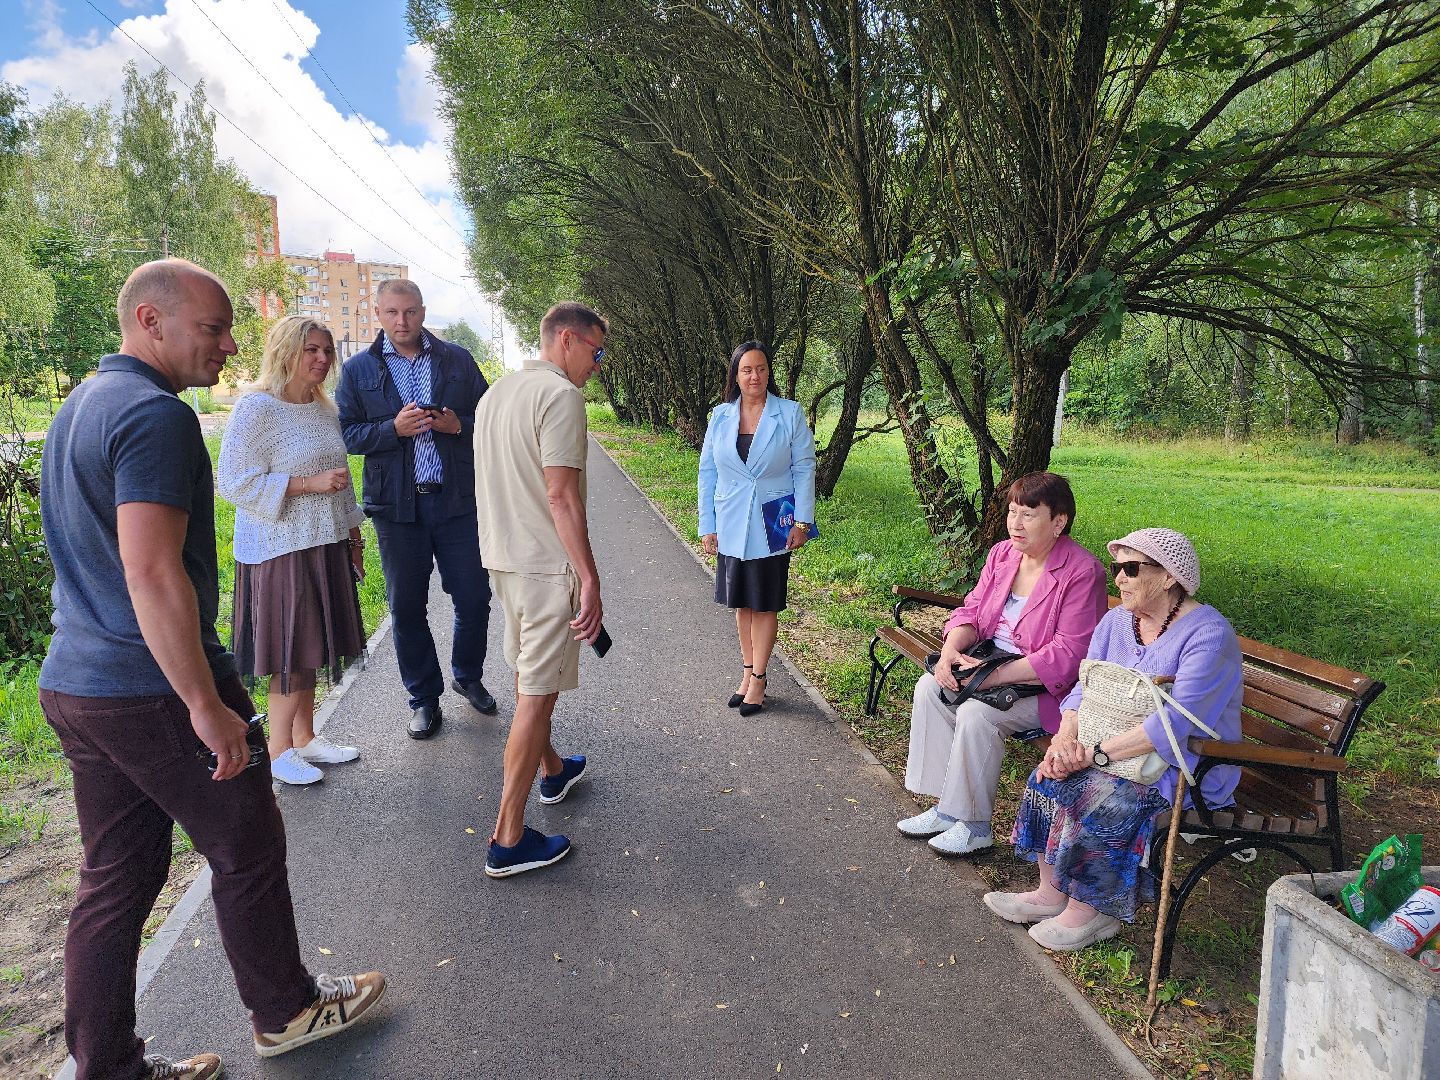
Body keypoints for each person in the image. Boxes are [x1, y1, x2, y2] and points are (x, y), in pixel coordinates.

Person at [36, 259, 385, 1080]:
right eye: (212, 328)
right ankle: (288, 1010)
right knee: (247, 841)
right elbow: (151, 573)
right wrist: (203, 701)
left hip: (75, 681)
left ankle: (107, 1066)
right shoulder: (156, 418)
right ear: (149, 322)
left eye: (230, 329)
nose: (229, 344)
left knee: (116, 877)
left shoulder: (79, 406)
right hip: (149, 683)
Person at [983, 527, 1244, 951]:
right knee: (1048, 776)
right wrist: (1065, 741)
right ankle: (1051, 894)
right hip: (1107, 749)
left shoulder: (1208, 635)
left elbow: (1175, 725)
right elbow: (1083, 689)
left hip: (1185, 766)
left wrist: (1095, 756)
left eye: (1130, 569)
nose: (1118, 578)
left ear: (1169, 577)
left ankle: (1092, 912)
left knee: (1104, 794)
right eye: (1115, 568)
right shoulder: (1117, 621)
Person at [898, 471, 1108, 856]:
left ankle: (975, 826)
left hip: (1047, 688)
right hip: (991, 664)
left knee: (979, 714)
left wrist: (992, 676)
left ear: (1058, 521)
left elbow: (1070, 653)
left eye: (1029, 514)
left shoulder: (1082, 571)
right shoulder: (1003, 554)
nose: (1015, 523)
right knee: (930, 688)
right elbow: (973, 611)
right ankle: (946, 809)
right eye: (1012, 512)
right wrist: (950, 651)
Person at [473, 302, 607, 877]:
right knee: (537, 694)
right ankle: (507, 836)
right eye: (596, 352)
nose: (597, 366)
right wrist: (589, 575)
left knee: (532, 674)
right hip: (547, 568)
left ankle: (553, 770)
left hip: (502, 561)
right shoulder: (561, 397)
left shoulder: (495, 394)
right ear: (568, 341)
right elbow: (561, 496)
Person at [335, 279, 496, 739]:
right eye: (391, 313)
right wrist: (392, 430)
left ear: (423, 312)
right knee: (406, 608)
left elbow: (488, 419)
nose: (401, 322)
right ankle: (424, 699)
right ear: (378, 315)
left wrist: (456, 424)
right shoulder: (359, 370)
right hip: (396, 510)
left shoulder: (457, 359)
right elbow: (347, 434)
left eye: (409, 312)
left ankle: (468, 677)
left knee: (473, 599)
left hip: (456, 503)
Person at [217, 315, 368, 786]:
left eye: (327, 351)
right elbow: (233, 482)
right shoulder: (256, 408)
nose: (323, 359)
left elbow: (340, 481)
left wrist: (353, 538)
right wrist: (305, 485)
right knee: (292, 648)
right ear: (286, 352)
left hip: (325, 543)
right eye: (312, 350)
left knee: (314, 642)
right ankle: (279, 749)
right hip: (279, 547)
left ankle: (304, 737)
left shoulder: (325, 409)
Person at [697, 340, 817, 717]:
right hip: (730, 519)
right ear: (736, 374)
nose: (755, 376)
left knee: (764, 602)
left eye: (761, 368)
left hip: (773, 518)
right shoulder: (720, 416)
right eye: (747, 369)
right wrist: (707, 525)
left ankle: (761, 679)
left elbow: (804, 467)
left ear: (769, 372)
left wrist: (803, 520)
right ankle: (747, 673)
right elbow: (708, 472)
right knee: (742, 602)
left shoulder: (790, 414)